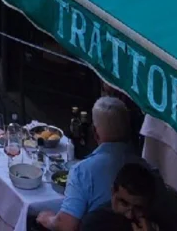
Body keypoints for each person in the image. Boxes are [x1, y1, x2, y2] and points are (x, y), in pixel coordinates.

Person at [38, 98, 140, 231]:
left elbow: (65, 226)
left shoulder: (83, 171)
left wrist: (46, 218)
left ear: (95, 133)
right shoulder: (147, 168)